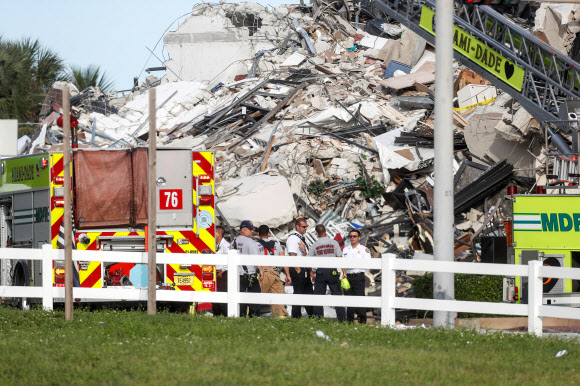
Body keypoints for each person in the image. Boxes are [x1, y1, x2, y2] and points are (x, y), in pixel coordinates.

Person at [308, 224, 346, 322]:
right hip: (332, 271)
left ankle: (319, 319)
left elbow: (308, 260)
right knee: (337, 295)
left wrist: (311, 273)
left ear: (316, 233)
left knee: (319, 297)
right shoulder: (334, 243)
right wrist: (343, 271)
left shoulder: (315, 245)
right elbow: (339, 258)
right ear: (325, 230)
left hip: (321, 271)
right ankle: (342, 320)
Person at [255, 225, 287, 318]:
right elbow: (284, 260)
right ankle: (280, 318)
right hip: (275, 272)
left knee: (254, 297)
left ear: (258, 234)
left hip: (263, 272)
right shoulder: (276, 244)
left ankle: (250, 316)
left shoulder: (255, 245)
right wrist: (287, 275)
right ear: (268, 233)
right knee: (278, 299)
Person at [233, 220, 263, 317]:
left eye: (252, 229)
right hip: (250, 276)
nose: (252, 231)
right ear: (243, 230)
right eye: (250, 229)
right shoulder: (250, 242)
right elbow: (255, 258)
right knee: (255, 301)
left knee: (240, 301)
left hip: (237, 276)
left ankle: (240, 320)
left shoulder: (233, 242)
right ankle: (253, 320)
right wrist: (261, 270)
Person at [286, 217, 313, 318]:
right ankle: (296, 316)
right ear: (297, 226)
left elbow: (305, 255)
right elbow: (292, 254)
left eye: (306, 226)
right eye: (304, 226)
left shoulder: (301, 238)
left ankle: (312, 314)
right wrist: (298, 269)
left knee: (308, 292)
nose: (306, 228)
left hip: (304, 268)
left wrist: (309, 271)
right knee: (299, 292)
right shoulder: (293, 238)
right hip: (298, 269)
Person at [342, 229, 371, 324]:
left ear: (359, 238)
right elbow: (342, 263)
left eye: (354, 236)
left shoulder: (364, 249)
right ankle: (349, 322)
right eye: (350, 236)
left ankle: (362, 321)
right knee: (349, 299)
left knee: (360, 299)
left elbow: (368, 263)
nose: (352, 238)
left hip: (358, 277)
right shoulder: (346, 250)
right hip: (348, 277)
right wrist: (344, 272)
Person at [213, 226, 230, 317]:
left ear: (219, 234)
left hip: (222, 274)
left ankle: (225, 315)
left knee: (222, 294)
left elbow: (230, 258)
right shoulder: (215, 244)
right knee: (215, 294)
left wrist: (222, 270)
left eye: (214, 232)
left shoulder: (226, 245)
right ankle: (216, 314)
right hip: (215, 273)